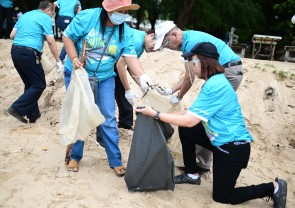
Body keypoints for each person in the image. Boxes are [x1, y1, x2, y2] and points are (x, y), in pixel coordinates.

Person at [135, 42, 287, 207]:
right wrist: (159, 116)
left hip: (232, 147)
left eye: (193, 63)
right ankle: (192, 174)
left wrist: (156, 114)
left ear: (204, 61)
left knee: (222, 196)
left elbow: (190, 120)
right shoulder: (214, 81)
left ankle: (273, 188)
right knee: (187, 130)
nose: (191, 68)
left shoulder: (215, 86)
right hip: (219, 139)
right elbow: (190, 114)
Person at [62, 0, 153, 176]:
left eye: (126, 11)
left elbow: (130, 58)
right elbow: (67, 36)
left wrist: (143, 78)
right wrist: (73, 58)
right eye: (121, 10)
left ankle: (116, 161)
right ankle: (75, 156)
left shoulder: (124, 31)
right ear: (109, 10)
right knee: (80, 115)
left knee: (109, 118)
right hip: (79, 75)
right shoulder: (88, 17)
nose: (124, 14)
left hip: (105, 78)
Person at [154, 21, 244, 175]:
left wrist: (178, 97)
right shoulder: (187, 41)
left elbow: (190, 77)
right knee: (206, 117)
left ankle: (203, 162)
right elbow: (189, 73)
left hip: (228, 71)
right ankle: (202, 164)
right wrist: (171, 90)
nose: (166, 46)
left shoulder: (190, 44)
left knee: (202, 117)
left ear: (175, 35)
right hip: (228, 70)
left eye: (166, 42)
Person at [96, 28, 156, 148]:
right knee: (106, 103)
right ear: (151, 36)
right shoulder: (137, 40)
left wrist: (141, 84)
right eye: (156, 45)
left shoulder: (141, 44)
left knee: (124, 96)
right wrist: (128, 89)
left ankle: (125, 125)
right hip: (105, 64)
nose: (155, 49)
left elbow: (130, 66)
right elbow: (120, 66)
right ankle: (101, 136)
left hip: (114, 64)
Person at [7, 0, 62, 124]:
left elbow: (11, 35)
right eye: (52, 13)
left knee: (30, 83)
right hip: (29, 53)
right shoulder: (45, 18)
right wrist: (58, 60)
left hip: (15, 51)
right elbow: (51, 41)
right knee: (39, 84)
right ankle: (17, 108)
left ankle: (33, 114)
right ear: (48, 10)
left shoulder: (25, 15)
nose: (52, 16)